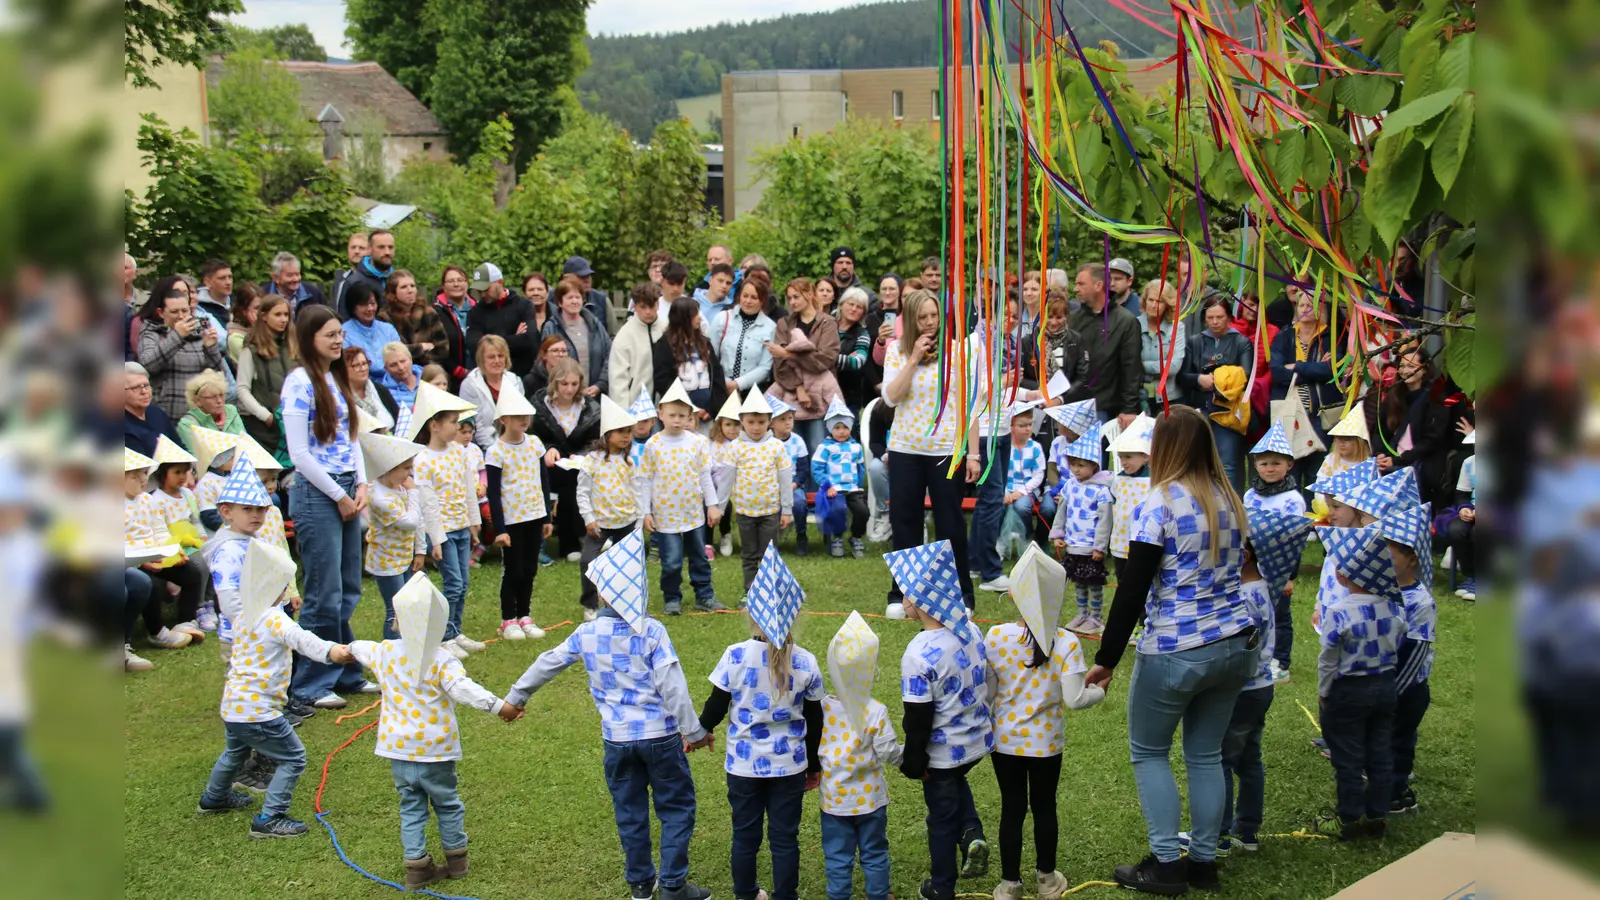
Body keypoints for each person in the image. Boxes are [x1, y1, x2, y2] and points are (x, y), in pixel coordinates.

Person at [1086, 406, 1255, 895]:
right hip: (1234, 643)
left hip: (1177, 647)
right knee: (1205, 755)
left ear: (1165, 449)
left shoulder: (1160, 501)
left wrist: (1107, 659)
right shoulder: (1229, 496)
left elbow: (1132, 587)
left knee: (1149, 752)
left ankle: (1165, 864)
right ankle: (1203, 863)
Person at [503, 531, 714, 900]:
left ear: (600, 593)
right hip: (660, 737)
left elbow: (547, 662)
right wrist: (694, 731)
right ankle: (673, 886)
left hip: (617, 740)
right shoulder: (652, 631)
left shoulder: (587, 633)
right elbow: (673, 686)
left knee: (630, 812)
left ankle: (640, 886)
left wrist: (517, 696)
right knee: (677, 808)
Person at [347, 574, 517, 889]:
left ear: (396, 621)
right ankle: (457, 861)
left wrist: (348, 649)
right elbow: (464, 690)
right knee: (446, 803)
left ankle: (416, 866)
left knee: (410, 806)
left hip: (398, 750)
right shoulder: (443, 660)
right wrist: (499, 707)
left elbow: (360, 647)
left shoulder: (385, 651)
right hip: (435, 752)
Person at [195, 538, 355, 838]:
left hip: (233, 707)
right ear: (271, 586)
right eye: (284, 585)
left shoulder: (242, 617)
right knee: (294, 758)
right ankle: (270, 817)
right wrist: (336, 652)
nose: (286, 593)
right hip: (260, 712)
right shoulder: (275, 620)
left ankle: (214, 797)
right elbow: (307, 642)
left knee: (234, 752)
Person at [698, 550, 825, 900]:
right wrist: (814, 766)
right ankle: (786, 895)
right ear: (796, 614)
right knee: (785, 838)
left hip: (743, 767)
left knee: (745, 835)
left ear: (750, 611)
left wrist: (698, 733)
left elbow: (715, 706)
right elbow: (816, 721)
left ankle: (746, 894)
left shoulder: (735, 655)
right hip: (790, 768)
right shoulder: (806, 661)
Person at [1182, 509, 1307, 860]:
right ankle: (1247, 830)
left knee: (1219, 759)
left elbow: (1234, 649)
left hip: (1241, 690)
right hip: (1258, 688)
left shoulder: (1245, 598)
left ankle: (1217, 834)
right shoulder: (1259, 588)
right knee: (1249, 758)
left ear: (1246, 553)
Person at [984, 547, 1105, 900]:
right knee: (1044, 807)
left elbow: (989, 694)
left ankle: (1009, 885)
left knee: (1012, 808)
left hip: (1004, 743)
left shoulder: (995, 636)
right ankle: (1047, 881)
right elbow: (1075, 698)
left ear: (1013, 596)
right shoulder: (1067, 641)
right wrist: (1098, 690)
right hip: (1046, 745)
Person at [886, 540, 994, 900]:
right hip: (977, 741)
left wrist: (915, 762)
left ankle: (941, 886)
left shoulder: (918, 653)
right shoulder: (971, 630)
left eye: (904, 593)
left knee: (941, 817)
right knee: (955, 784)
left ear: (915, 602)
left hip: (942, 753)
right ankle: (973, 832)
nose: (901, 600)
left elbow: (918, 718)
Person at [282, 305, 371, 712]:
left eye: (340, 334)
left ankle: (346, 671)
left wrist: (363, 482)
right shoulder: (298, 383)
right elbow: (299, 453)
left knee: (349, 585)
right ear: (308, 338)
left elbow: (352, 438)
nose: (338, 341)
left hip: (348, 488)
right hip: (320, 495)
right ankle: (310, 683)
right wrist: (338, 494)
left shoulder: (336, 379)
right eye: (329, 335)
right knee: (323, 591)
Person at [881, 289, 981, 615]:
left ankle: (961, 594)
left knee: (950, 523)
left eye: (933, 316)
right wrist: (912, 360)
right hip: (905, 448)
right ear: (910, 319)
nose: (929, 323)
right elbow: (891, 398)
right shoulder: (897, 351)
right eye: (922, 317)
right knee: (905, 521)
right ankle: (901, 594)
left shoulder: (957, 352)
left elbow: (971, 406)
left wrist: (974, 454)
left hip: (945, 450)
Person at [1313, 524, 1405, 842]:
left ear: (1342, 576)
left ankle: (1349, 819)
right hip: (1385, 685)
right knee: (1380, 752)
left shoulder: (1338, 613)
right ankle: (1378, 816)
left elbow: (1328, 659)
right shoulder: (1394, 607)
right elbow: (1401, 637)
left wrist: (1324, 691)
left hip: (1349, 689)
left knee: (1348, 758)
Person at [818, 614, 902, 900]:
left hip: (834, 801)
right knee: (875, 852)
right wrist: (908, 760)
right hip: (870, 800)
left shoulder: (822, 709)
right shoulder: (875, 710)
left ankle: (838, 895)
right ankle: (879, 894)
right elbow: (889, 751)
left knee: (838, 857)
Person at [640, 381, 725, 615]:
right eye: (672, 415)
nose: (676, 420)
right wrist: (645, 512)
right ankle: (671, 598)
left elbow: (704, 475)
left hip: (693, 513)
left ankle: (704, 595)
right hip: (665, 516)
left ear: (690, 417)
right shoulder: (653, 445)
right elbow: (645, 479)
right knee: (672, 561)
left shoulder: (697, 442)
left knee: (699, 557)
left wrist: (712, 506)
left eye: (682, 415)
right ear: (661, 414)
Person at [358, 432, 439, 641]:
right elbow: (410, 521)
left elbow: (418, 522)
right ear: (389, 468)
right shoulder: (378, 497)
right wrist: (413, 493)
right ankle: (392, 655)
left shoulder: (400, 487)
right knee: (394, 611)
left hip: (403, 558)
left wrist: (420, 551)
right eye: (405, 468)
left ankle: (405, 648)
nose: (409, 474)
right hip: (386, 562)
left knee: (405, 607)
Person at [1382, 503, 1436, 817]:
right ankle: (1393, 789)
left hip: (1408, 686)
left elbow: (1415, 651)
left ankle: (1397, 792)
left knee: (1398, 741)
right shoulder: (1383, 593)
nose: (1384, 563)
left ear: (1411, 559)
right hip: (1384, 680)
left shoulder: (1420, 600)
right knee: (1385, 738)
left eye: (1391, 556)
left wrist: (1395, 689)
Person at [123, 447, 205, 650]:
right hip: (131, 560)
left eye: (144, 474)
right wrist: (144, 562)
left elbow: (160, 530)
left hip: (156, 553)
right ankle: (156, 631)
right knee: (151, 584)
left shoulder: (148, 501)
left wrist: (173, 550)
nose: (143, 480)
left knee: (191, 572)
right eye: (136, 476)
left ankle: (186, 621)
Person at [1243, 423, 1307, 683]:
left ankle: (1281, 661)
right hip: (1253, 568)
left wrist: (1289, 576)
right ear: (1256, 465)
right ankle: (1255, 655)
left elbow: (1296, 541)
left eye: (1276, 463)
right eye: (1264, 463)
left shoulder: (1293, 499)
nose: (1270, 468)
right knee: (1253, 612)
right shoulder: (1249, 495)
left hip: (1279, 567)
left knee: (1280, 615)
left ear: (1289, 465)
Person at [1366, 349, 1463, 511]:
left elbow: (1433, 439)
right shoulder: (1394, 394)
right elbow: (1379, 430)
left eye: (1411, 366)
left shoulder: (1436, 396)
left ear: (1425, 368)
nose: (1405, 370)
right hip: (1392, 459)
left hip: (1422, 463)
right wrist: (1380, 454)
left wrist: (1398, 460)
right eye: (1402, 366)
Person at [1178, 296, 1255, 492]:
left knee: (1227, 463)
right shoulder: (1195, 341)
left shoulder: (1241, 342)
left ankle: (1230, 506)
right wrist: (1198, 379)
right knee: (1198, 460)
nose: (1215, 322)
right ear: (1204, 318)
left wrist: (1219, 379)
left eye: (1219, 317)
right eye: (1210, 317)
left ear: (1229, 317)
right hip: (1200, 408)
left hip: (1227, 411)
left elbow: (1245, 374)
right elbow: (1182, 376)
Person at [576, 396, 644, 618]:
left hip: (626, 521)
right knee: (588, 561)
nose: (626, 436)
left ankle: (624, 602)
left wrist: (640, 519)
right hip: (600, 523)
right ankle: (590, 604)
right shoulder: (592, 460)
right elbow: (583, 493)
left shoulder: (629, 461)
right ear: (607, 434)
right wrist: (588, 518)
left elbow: (637, 490)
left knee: (627, 565)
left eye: (629, 431)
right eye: (620, 431)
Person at [1269, 284, 1343, 484]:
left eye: (1310, 305)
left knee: (1316, 474)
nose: (1304, 309)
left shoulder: (1331, 337)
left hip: (1320, 413)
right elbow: (1277, 372)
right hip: (1290, 412)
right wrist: (1314, 369)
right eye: (1301, 305)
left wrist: (1297, 366)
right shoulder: (1284, 335)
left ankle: (1315, 514)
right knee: (1290, 472)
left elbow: (1332, 370)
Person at [531, 358, 602, 563]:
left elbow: (595, 440)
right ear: (554, 383)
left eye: (574, 384)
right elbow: (533, 435)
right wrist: (548, 449)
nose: (569, 389)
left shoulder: (589, 407)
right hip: (547, 466)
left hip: (579, 464)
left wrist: (581, 454)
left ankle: (581, 538)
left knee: (575, 481)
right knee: (566, 482)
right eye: (564, 384)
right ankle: (569, 542)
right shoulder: (539, 405)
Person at [1048, 422, 1114, 634]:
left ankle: (1095, 618)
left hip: (1090, 546)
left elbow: (1105, 521)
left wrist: (1100, 547)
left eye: (1081, 465)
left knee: (1093, 584)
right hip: (1074, 544)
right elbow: (1062, 511)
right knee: (1078, 582)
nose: (1076, 470)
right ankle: (1081, 613)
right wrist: (1058, 533)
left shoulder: (1101, 491)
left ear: (1094, 466)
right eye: (1073, 465)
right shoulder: (1069, 486)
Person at [726, 388, 793, 591]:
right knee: (749, 554)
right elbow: (727, 479)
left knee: (769, 554)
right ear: (742, 422)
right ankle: (750, 591)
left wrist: (787, 510)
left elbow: (785, 479)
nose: (756, 427)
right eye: (751, 422)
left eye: (761, 422)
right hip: (745, 512)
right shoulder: (735, 447)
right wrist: (718, 507)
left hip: (769, 513)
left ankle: (769, 592)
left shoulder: (776, 447)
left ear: (770, 422)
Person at [769, 278, 842, 457]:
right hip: (790, 395)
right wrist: (798, 387)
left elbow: (824, 360)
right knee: (791, 452)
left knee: (817, 449)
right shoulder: (784, 324)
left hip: (818, 395)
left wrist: (789, 354)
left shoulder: (827, 323)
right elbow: (780, 364)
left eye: (796, 297)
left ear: (809, 294)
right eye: (789, 298)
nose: (792, 302)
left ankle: (818, 486)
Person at [1068, 263, 1145, 431]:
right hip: (1072, 405)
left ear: (1098, 285)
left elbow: (1131, 368)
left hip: (1105, 407)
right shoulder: (1073, 319)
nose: (1076, 289)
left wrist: (1129, 408)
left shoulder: (1126, 321)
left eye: (1081, 284)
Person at [138, 282, 226, 421]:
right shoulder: (152, 333)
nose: (180, 316)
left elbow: (218, 376)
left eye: (185, 311)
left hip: (199, 418)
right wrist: (177, 336)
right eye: (174, 312)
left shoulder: (199, 333)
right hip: (166, 416)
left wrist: (211, 348)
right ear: (161, 313)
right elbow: (148, 366)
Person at [235, 295, 297, 456]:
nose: (283, 319)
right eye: (277, 315)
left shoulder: (295, 345)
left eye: (286, 315)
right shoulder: (252, 348)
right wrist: (266, 416)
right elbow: (242, 389)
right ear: (264, 316)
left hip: (294, 423)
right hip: (264, 429)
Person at [654, 297, 730, 424]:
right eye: (695, 314)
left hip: (705, 417)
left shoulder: (705, 343)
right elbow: (662, 380)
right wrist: (687, 408)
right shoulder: (664, 345)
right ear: (683, 318)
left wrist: (712, 409)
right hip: (679, 417)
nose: (699, 318)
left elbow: (717, 377)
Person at [811, 397, 867, 558]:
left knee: (863, 512)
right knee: (837, 510)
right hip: (834, 489)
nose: (841, 431)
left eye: (845, 427)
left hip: (852, 488)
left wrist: (859, 485)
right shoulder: (825, 447)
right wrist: (827, 486)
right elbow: (817, 468)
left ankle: (856, 537)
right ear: (830, 429)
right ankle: (837, 537)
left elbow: (860, 468)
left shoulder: (855, 447)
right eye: (837, 427)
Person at [707, 271, 777, 400]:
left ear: (762, 300)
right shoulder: (722, 318)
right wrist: (725, 382)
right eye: (745, 296)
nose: (748, 301)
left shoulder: (770, 327)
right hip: (721, 388)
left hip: (752, 393)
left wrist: (738, 384)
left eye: (754, 297)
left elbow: (765, 367)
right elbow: (711, 356)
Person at [463, 263, 540, 377]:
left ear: (500, 282)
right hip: (490, 378)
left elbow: (529, 340)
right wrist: (514, 338)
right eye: (479, 290)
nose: (482, 294)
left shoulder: (523, 305)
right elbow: (476, 348)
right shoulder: (475, 313)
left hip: (523, 375)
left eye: (486, 288)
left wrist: (490, 342)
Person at [456, 335, 528, 452]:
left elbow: (521, 420)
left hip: (514, 444)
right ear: (481, 359)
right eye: (491, 357)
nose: (497, 361)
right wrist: (497, 452)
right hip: (482, 448)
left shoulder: (515, 381)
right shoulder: (470, 385)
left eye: (500, 356)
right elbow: (478, 428)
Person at [545, 274, 612, 397]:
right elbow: (546, 362)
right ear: (560, 302)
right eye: (570, 297)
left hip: (595, 396)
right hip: (564, 397)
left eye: (578, 297)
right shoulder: (552, 327)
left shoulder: (595, 324)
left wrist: (600, 384)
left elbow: (610, 355)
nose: (575, 301)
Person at [610, 282, 666, 408]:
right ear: (634, 307)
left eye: (652, 306)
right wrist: (624, 415)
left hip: (663, 409)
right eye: (643, 307)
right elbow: (617, 381)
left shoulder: (666, 330)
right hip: (635, 408)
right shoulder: (624, 337)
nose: (648, 312)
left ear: (658, 304)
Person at [382, 269, 451, 372]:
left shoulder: (428, 313)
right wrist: (421, 347)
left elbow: (442, 348)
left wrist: (420, 362)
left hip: (429, 371)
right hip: (399, 372)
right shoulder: (385, 318)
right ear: (393, 292)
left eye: (412, 286)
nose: (410, 290)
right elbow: (390, 352)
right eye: (403, 287)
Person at [767, 397, 811, 556]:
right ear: (772, 423)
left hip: (793, 485)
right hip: (770, 486)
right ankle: (770, 541)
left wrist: (794, 484)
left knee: (799, 504)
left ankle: (801, 535)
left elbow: (804, 469)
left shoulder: (798, 441)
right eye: (782, 419)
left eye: (790, 418)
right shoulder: (767, 442)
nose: (788, 422)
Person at [1138, 280, 1187, 410]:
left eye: (1159, 301)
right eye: (1150, 300)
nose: (1153, 305)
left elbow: (1174, 366)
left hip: (1169, 398)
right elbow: (1128, 364)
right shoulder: (1133, 324)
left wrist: (1142, 365)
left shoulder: (1177, 327)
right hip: (1138, 397)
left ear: (1168, 304)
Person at [176, 370, 244, 455]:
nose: (219, 401)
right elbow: (202, 460)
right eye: (213, 397)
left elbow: (245, 446)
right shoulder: (187, 425)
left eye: (221, 395)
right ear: (198, 400)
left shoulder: (231, 412)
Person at [342, 282, 404, 370]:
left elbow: (401, 357)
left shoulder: (388, 329)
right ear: (353, 307)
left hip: (395, 376)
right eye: (364, 304)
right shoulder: (344, 333)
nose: (370, 309)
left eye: (373, 303)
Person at [709, 395, 742, 557]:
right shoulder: (717, 446)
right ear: (719, 425)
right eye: (728, 424)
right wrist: (725, 487)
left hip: (744, 486)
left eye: (737, 424)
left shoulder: (746, 444)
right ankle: (725, 534)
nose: (732, 429)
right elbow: (715, 470)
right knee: (724, 505)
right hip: (721, 486)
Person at [337, 229, 396, 319]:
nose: (387, 252)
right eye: (381, 247)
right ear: (369, 249)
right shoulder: (354, 282)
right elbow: (344, 321)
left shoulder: (398, 280)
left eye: (390, 247)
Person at [340, 346, 399, 434]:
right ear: (343, 370)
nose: (363, 368)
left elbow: (398, 418)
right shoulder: (341, 397)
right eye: (356, 365)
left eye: (364, 363)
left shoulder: (380, 389)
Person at [434, 265, 475, 386]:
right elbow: (435, 348)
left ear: (467, 284)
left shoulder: (478, 309)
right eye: (451, 281)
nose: (456, 284)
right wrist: (459, 371)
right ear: (443, 286)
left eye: (460, 280)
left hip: (479, 375)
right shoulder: (436, 312)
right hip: (449, 378)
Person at [834, 288, 873, 413]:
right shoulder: (827, 325)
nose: (854, 309)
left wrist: (826, 358)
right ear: (841, 305)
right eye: (851, 304)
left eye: (859, 307)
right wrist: (844, 358)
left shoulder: (862, 334)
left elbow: (858, 362)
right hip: (820, 393)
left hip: (848, 396)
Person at [561, 256, 615, 334]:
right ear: (565, 278)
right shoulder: (552, 301)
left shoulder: (602, 300)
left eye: (589, 276)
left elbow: (613, 335)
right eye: (581, 276)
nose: (587, 280)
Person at [378, 343, 424, 414]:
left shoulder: (428, 377)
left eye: (403, 361)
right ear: (386, 369)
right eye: (393, 365)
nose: (401, 367)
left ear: (411, 359)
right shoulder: (384, 394)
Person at [330, 232, 369, 312]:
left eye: (361, 248)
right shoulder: (341, 280)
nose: (356, 251)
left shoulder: (373, 279)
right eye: (353, 247)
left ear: (369, 252)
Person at [225, 284, 258, 364]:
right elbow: (256, 363)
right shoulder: (235, 337)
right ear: (244, 311)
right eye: (257, 308)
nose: (262, 312)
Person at [196, 258, 233, 326]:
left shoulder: (238, 302)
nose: (228, 282)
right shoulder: (199, 309)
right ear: (207, 282)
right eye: (222, 278)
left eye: (230, 277)